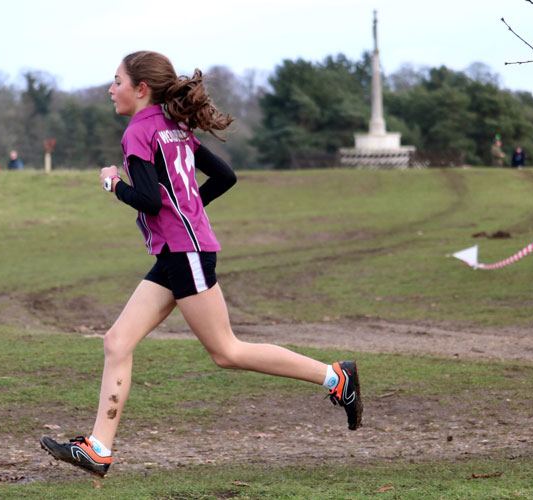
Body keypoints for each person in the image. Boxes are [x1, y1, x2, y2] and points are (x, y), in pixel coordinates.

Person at [40, 51, 363, 478]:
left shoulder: (138, 132)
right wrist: (187, 213)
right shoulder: (174, 127)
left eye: (116, 81)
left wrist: (112, 183)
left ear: (140, 89)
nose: (109, 89)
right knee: (117, 341)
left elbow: (150, 200)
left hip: (185, 254)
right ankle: (98, 448)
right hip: (181, 251)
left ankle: (335, 378)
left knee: (226, 351)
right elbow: (224, 177)